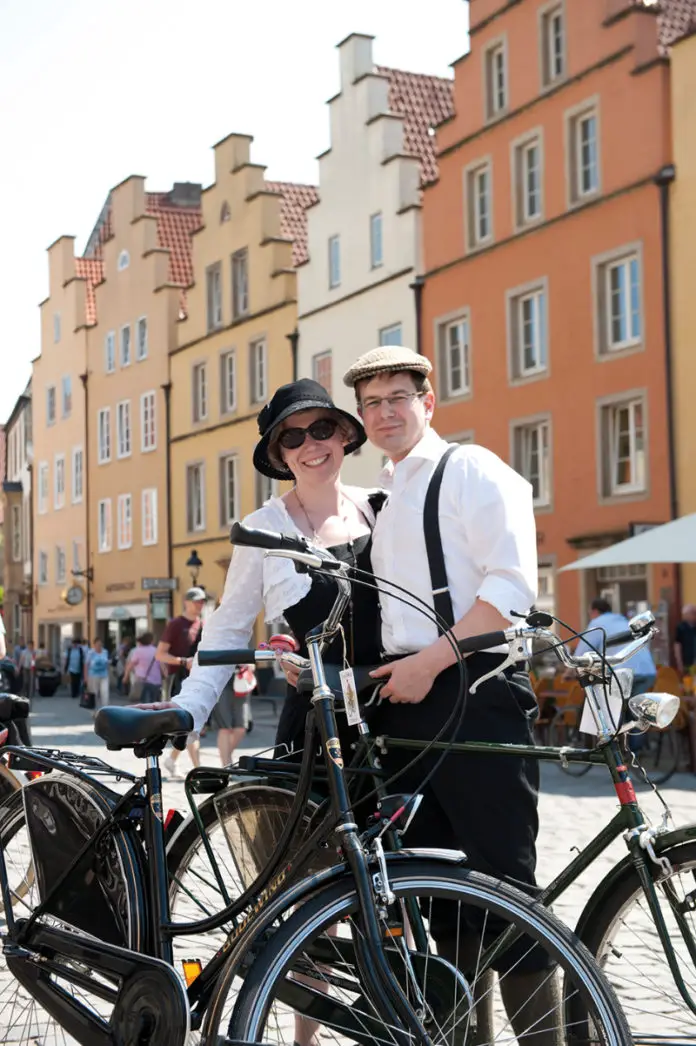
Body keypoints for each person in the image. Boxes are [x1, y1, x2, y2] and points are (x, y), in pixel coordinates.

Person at [337, 345, 558, 1044]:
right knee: (444, 899)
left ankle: (560, 1040)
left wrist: (430, 663)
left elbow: (510, 590)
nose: (384, 412)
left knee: (506, 889)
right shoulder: (388, 493)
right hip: (410, 699)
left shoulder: (472, 470)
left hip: (476, 686)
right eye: (370, 403)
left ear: (428, 403)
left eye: (397, 397)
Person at [141, 378, 382, 771]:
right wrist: (190, 706)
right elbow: (229, 627)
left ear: (342, 436)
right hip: (318, 721)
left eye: (321, 430)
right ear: (280, 456)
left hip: (396, 710)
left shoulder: (381, 507)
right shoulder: (264, 530)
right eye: (292, 438)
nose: (310, 445)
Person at [156, 589, 206, 777]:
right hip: (178, 680)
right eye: (196, 601)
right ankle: (197, 769)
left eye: (202, 602)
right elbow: (160, 654)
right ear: (186, 602)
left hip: (197, 680)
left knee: (192, 725)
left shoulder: (202, 624)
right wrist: (183, 661)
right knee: (190, 723)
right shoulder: (176, 624)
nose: (199, 605)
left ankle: (173, 759)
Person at [576, 597, 656, 696]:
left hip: (625, 672)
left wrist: (568, 673)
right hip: (647, 670)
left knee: (612, 708)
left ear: (595, 611)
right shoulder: (622, 620)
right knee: (634, 708)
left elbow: (580, 656)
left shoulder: (597, 624)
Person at [209, 663, 255, 766]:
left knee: (241, 729)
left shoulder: (244, 646)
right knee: (225, 728)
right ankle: (226, 765)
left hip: (241, 683)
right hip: (221, 684)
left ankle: (227, 755)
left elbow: (252, 662)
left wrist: (249, 665)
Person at [124, 632, 162, 702]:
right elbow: (162, 665)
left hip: (141, 680)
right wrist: (165, 675)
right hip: (156, 681)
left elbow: (130, 665)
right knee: (154, 702)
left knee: (142, 703)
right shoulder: (156, 650)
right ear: (151, 640)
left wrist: (125, 677)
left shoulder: (138, 651)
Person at [84, 637, 111, 711]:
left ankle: (105, 710)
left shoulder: (105, 652)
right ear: (94, 644)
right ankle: (93, 711)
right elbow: (86, 665)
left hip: (104, 675)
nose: (99, 646)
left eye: (100, 644)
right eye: (97, 644)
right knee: (94, 694)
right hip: (93, 676)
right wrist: (86, 677)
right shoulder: (90, 653)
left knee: (105, 693)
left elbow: (107, 663)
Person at [674, 604, 696, 676]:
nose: (694, 615)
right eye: (692, 613)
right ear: (686, 615)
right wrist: (679, 663)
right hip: (686, 662)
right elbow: (677, 645)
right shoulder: (681, 628)